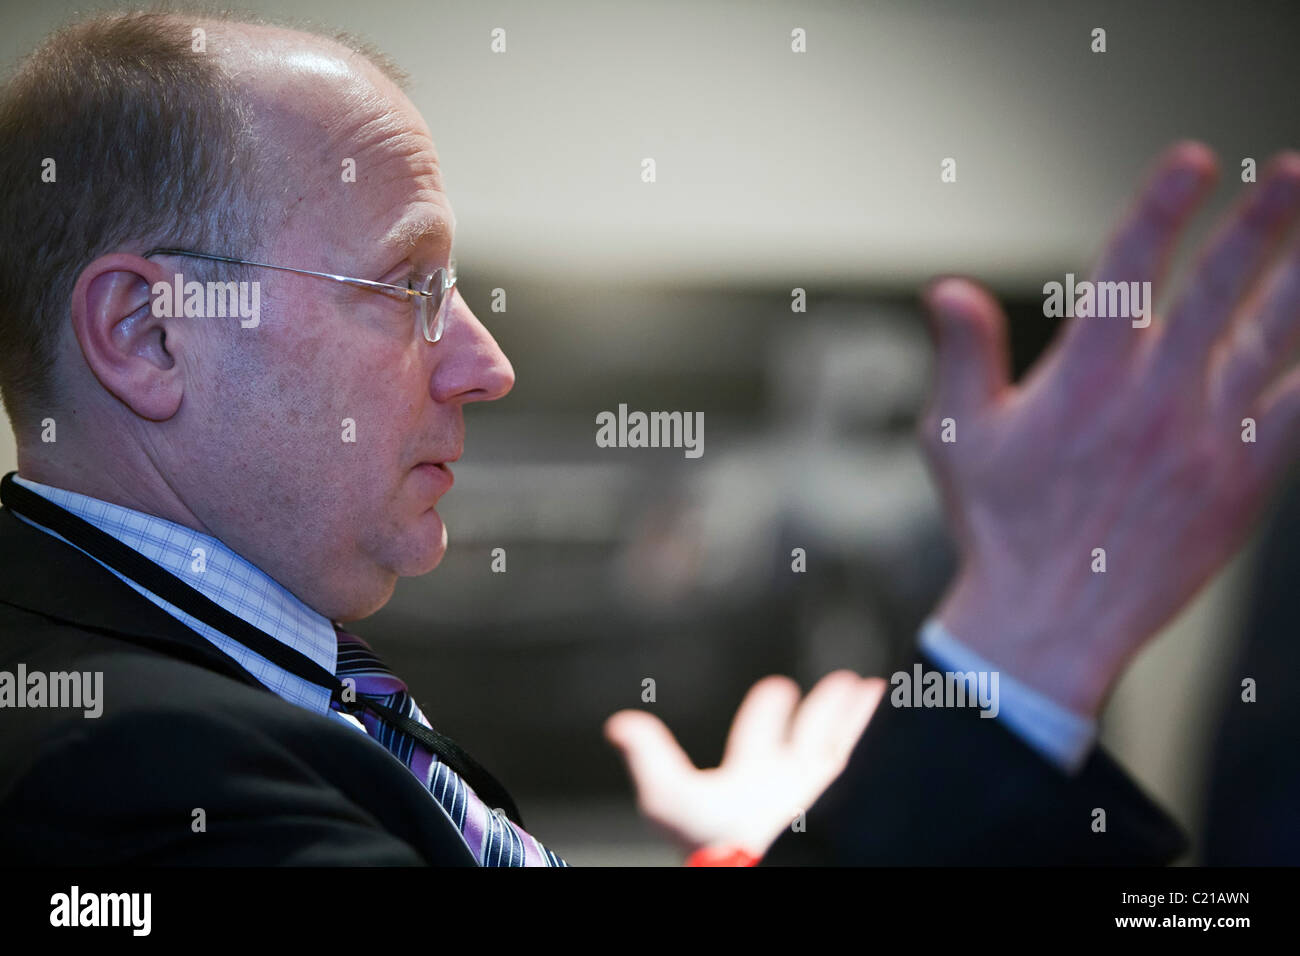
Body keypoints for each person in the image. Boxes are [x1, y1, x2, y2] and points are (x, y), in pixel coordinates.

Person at [2, 10, 1298, 866]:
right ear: (150, 335)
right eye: (409, 289)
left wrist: (751, 852)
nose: (486, 363)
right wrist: (1026, 649)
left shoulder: (247, 679)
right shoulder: (111, 769)